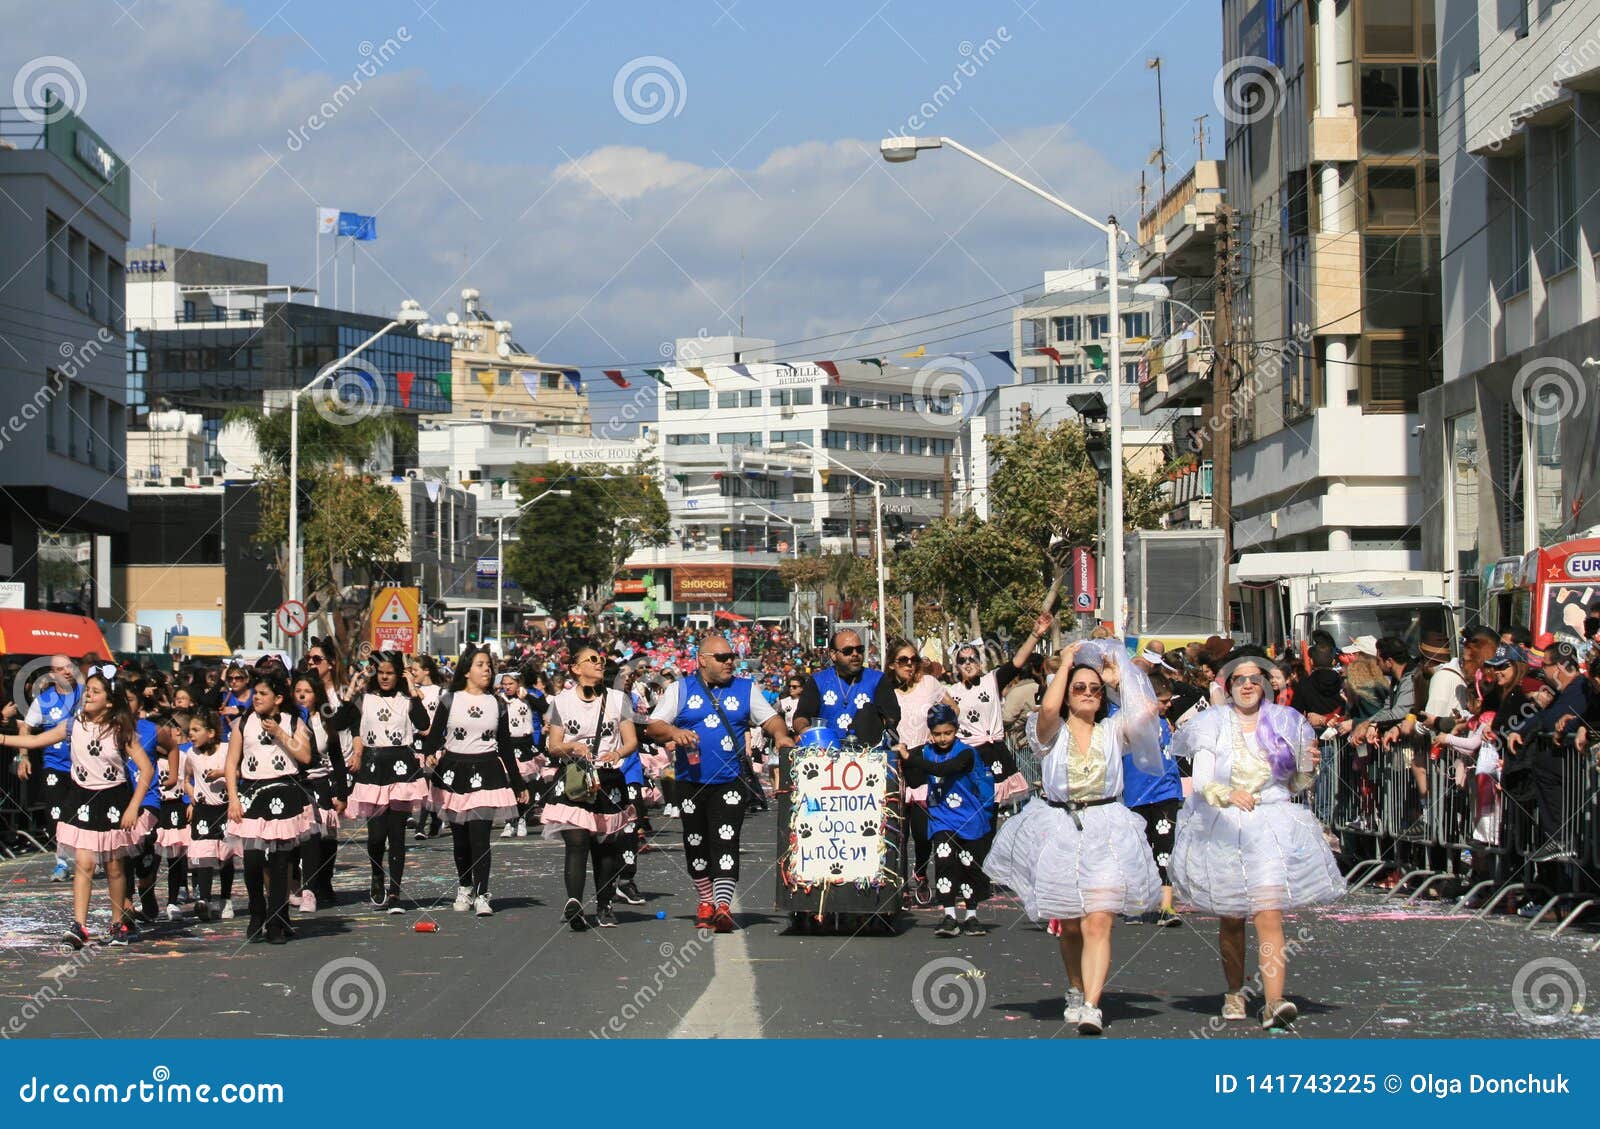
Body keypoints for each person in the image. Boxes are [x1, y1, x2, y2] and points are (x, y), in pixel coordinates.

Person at [984, 641, 1165, 1036]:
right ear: (1067, 692)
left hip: (1106, 825)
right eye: (1079, 688)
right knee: (1070, 925)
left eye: (1093, 689)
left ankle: (1091, 1005)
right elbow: (1047, 711)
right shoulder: (1051, 733)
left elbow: (1146, 713)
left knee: (1099, 920)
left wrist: (1118, 682)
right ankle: (1075, 986)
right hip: (1061, 826)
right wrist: (1067, 663)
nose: (1086, 694)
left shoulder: (1113, 731)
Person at [1169, 651, 1345, 1029]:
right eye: (1239, 679)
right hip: (1227, 825)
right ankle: (1234, 991)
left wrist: (1308, 767)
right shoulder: (1211, 724)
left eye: (1254, 679)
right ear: (1229, 686)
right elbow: (1201, 781)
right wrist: (1227, 794)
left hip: (1272, 824)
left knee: (1269, 912)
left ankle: (1273, 1000)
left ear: (1264, 683)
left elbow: (1296, 783)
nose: (1247, 685)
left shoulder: (1286, 722)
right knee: (1232, 917)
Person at [645, 632, 794, 933]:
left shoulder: (746, 689)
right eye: (722, 658)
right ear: (702, 660)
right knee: (696, 842)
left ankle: (723, 905)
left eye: (732, 657)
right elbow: (654, 726)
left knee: (726, 840)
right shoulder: (680, 690)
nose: (730, 663)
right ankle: (705, 901)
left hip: (730, 781)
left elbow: (771, 719)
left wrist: (780, 735)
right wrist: (674, 733)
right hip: (690, 781)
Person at [1, 670, 155, 948]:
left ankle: (117, 923)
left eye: (96, 691)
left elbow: (146, 769)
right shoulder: (74, 725)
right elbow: (34, 740)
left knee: (114, 867)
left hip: (114, 800)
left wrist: (133, 807)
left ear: (109, 702)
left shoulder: (121, 730)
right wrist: (2, 739)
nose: (88, 695)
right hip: (82, 798)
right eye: (88, 690)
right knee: (84, 864)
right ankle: (79, 926)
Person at [421, 646, 526, 917]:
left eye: (489, 665)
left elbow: (505, 747)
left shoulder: (498, 704)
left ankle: (482, 894)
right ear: (467, 670)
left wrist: (518, 784)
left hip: (487, 771)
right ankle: (464, 886)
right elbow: (433, 738)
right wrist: (430, 755)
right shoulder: (449, 699)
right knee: (461, 840)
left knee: (480, 837)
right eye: (481, 665)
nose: (487, 670)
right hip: (453, 772)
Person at [543, 644, 639, 930]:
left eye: (602, 659)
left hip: (608, 778)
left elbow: (632, 740)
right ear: (575, 667)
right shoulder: (561, 702)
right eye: (593, 659)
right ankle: (574, 902)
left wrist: (618, 753)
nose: (600, 663)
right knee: (576, 840)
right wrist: (572, 746)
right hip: (575, 777)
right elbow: (553, 746)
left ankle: (605, 905)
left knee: (606, 845)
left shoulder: (618, 699)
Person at [226, 671, 315, 943]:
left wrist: (278, 733)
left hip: (283, 791)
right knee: (252, 861)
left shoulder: (293, 721)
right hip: (252, 792)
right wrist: (233, 798)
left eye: (263, 694)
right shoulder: (243, 723)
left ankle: (276, 920)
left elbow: (305, 756)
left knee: (280, 862)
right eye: (256, 693)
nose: (257, 698)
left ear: (277, 698)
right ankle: (257, 911)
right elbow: (231, 763)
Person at [345, 653, 431, 912]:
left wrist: (413, 689)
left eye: (390, 673)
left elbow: (424, 724)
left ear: (398, 675)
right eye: (380, 672)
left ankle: (395, 891)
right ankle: (376, 875)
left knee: (396, 835)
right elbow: (341, 721)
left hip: (401, 766)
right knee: (376, 835)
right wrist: (350, 692)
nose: (384, 677)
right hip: (373, 766)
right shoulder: (364, 700)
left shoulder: (407, 700)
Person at [902, 703, 994, 936]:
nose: (943, 739)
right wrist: (903, 757)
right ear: (930, 733)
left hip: (969, 818)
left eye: (948, 733)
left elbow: (943, 770)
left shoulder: (966, 753)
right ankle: (949, 915)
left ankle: (971, 915)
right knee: (943, 861)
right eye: (937, 734)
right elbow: (914, 779)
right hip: (942, 817)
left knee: (968, 864)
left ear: (956, 730)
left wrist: (910, 757)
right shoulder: (926, 752)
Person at [947, 612, 1053, 806]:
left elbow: (1016, 663)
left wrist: (1035, 635)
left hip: (995, 752)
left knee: (992, 809)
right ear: (957, 666)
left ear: (980, 662)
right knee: (973, 806)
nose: (968, 664)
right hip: (968, 755)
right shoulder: (950, 692)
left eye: (972, 659)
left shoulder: (991, 680)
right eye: (963, 661)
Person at [888, 639, 955, 905]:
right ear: (892, 664)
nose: (909, 665)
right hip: (895, 762)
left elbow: (952, 710)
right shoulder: (885, 690)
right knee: (897, 828)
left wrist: (937, 734)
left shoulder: (929, 684)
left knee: (922, 828)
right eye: (903, 660)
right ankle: (899, 882)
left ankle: (920, 873)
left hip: (924, 759)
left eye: (913, 659)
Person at [1122, 672, 1184, 927]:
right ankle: (1136, 905)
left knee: (1164, 849)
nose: (1168, 705)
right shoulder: (1128, 721)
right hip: (1136, 793)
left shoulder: (1164, 723)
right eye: (1163, 700)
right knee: (1139, 849)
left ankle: (1166, 906)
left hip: (1165, 793)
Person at [17, 654, 83, 882]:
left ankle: (91, 859)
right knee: (56, 813)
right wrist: (23, 757)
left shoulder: (87, 694)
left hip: (85, 766)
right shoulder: (44, 700)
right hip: (55, 765)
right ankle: (62, 863)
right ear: (52, 674)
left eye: (69, 667)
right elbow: (26, 728)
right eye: (60, 668)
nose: (66, 671)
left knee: (83, 814)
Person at [291, 673, 349, 912]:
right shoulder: (288, 720)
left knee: (323, 837)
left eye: (308, 691)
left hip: (320, 783)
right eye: (298, 691)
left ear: (317, 695)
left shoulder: (324, 720)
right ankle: (295, 884)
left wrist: (342, 793)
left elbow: (336, 758)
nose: (302, 695)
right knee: (295, 839)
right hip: (294, 784)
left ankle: (317, 886)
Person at [793, 629, 901, 749]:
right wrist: (804, 729)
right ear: (833, 654)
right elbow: (801, 715)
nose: (855, 654)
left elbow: (892, 716)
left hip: (868, 754)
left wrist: (869, 723)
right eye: (848, 651)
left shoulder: (878, 679)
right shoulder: (818, 681)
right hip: (826, 752)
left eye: (859, 649)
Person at [180, 708, 235, 922]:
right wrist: (192, 797)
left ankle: (225, 898)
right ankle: (204, 899)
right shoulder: (191, 754)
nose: (191, 734)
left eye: (196, 730)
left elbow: (238, 772)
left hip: (225, 807)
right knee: (204, 855)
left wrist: (223, 773)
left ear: (211, 732)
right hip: (203, 809)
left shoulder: (227, 750)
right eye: (189, 730)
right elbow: (186, 778)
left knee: (225, 857)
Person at [499, 672, 539, 839]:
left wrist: (528, 695)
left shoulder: (527, 697)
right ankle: (509, 821)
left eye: (510, 683)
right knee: (507, 785)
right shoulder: (499, 700)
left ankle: (522, 818)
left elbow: (544, 707)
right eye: (504, 684)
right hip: (506, 745)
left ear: (518, 684)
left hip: (524, 744)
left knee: (524, 784)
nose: (507, 687)